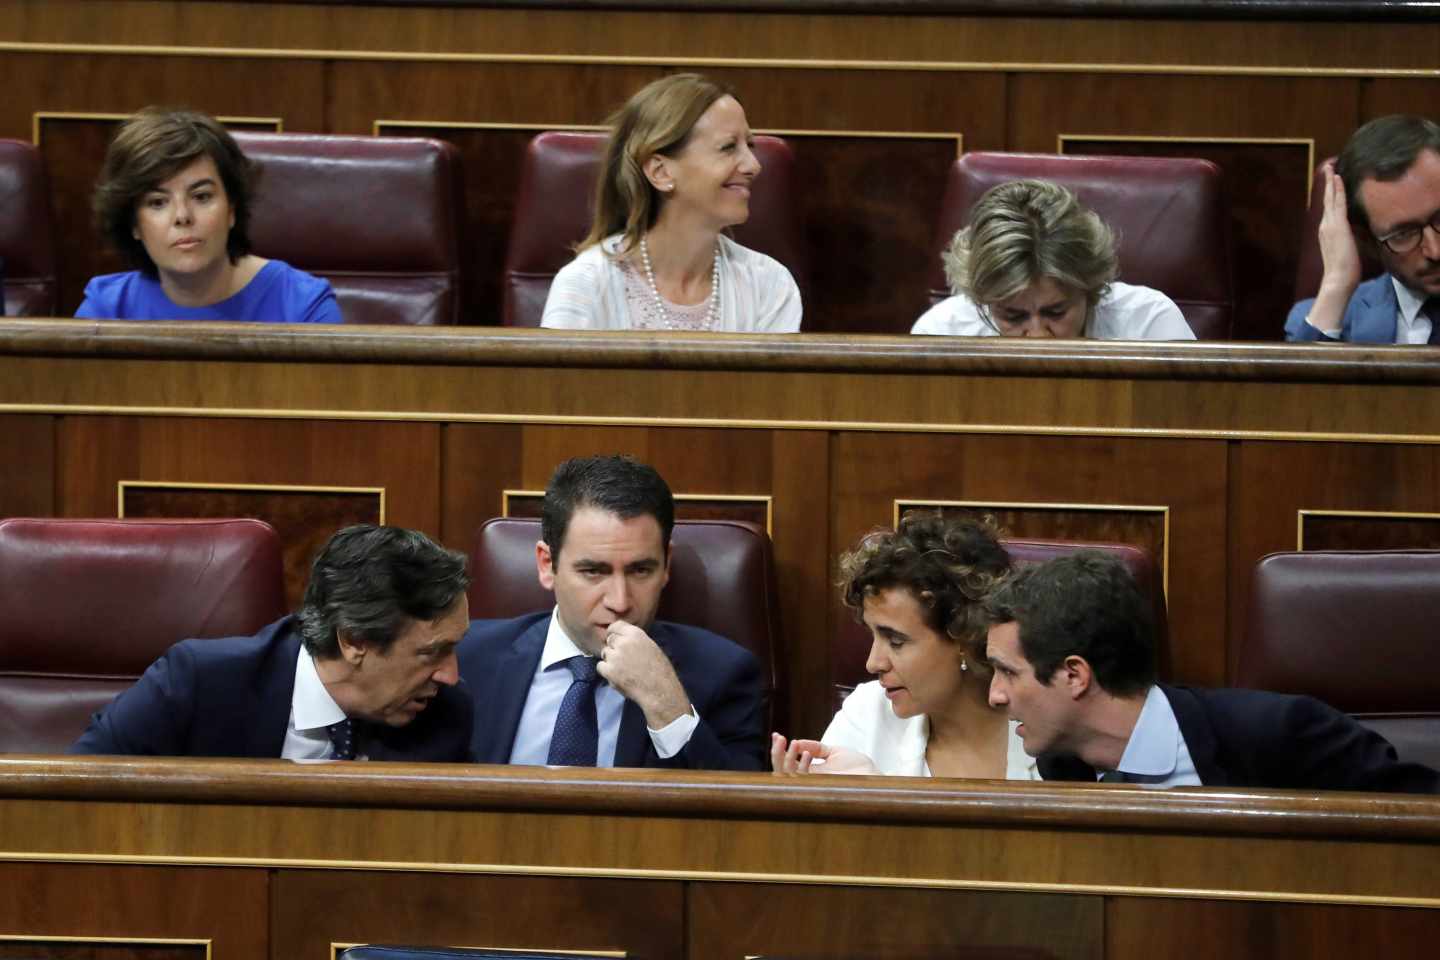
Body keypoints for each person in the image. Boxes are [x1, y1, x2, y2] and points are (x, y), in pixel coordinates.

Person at [983, 551, 1440, 793]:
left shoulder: (1281, 735)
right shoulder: (1062, 769)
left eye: (1007, 673)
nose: (995, 696)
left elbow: (1416, 828)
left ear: (1074, 675)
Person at [458, 455, 766, 770]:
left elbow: (735, 813)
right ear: (547, 564)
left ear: (666, 566)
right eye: (593, 571)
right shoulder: (465, 659)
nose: (619, 602)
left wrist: (667, 706)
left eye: (641, 570)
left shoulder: (723, 675)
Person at [71, 524, 473, 760]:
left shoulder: (446, 717)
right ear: (354, 641)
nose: (451, 675)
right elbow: (68, 796)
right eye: (432, 652)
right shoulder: (198, 686)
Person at [771, 512, 1039, 781]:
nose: (873, 663)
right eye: (873, 635)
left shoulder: (1045, 724)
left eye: (896, 641)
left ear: (965, 636)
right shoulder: (867, 713)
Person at [540, 74, 801, 333]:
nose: (753, 165)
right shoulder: (585, 285)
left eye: (750, 145)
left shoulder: (769, 285)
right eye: (728, 147)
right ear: (661, 172)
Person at [75, 107, 340, 323]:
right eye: (157, 202)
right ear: (134, 224)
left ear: (231, 210)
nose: (182, 216)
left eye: (201, 197)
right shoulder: (106, 312)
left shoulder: (303, 306)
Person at [912, 179, 1194, 341]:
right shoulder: (941, 333)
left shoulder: (1148, 325)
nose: (1037, 337)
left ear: (1090, 288)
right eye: (1013, 316)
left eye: (1056, 312)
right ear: (982, 300)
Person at [1286, 115, 1440, 343]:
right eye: (1403, 234)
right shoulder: (1324, 318)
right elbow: (1301, 379)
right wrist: (1337, 283)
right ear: (1367, 240)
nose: (1435, 251)